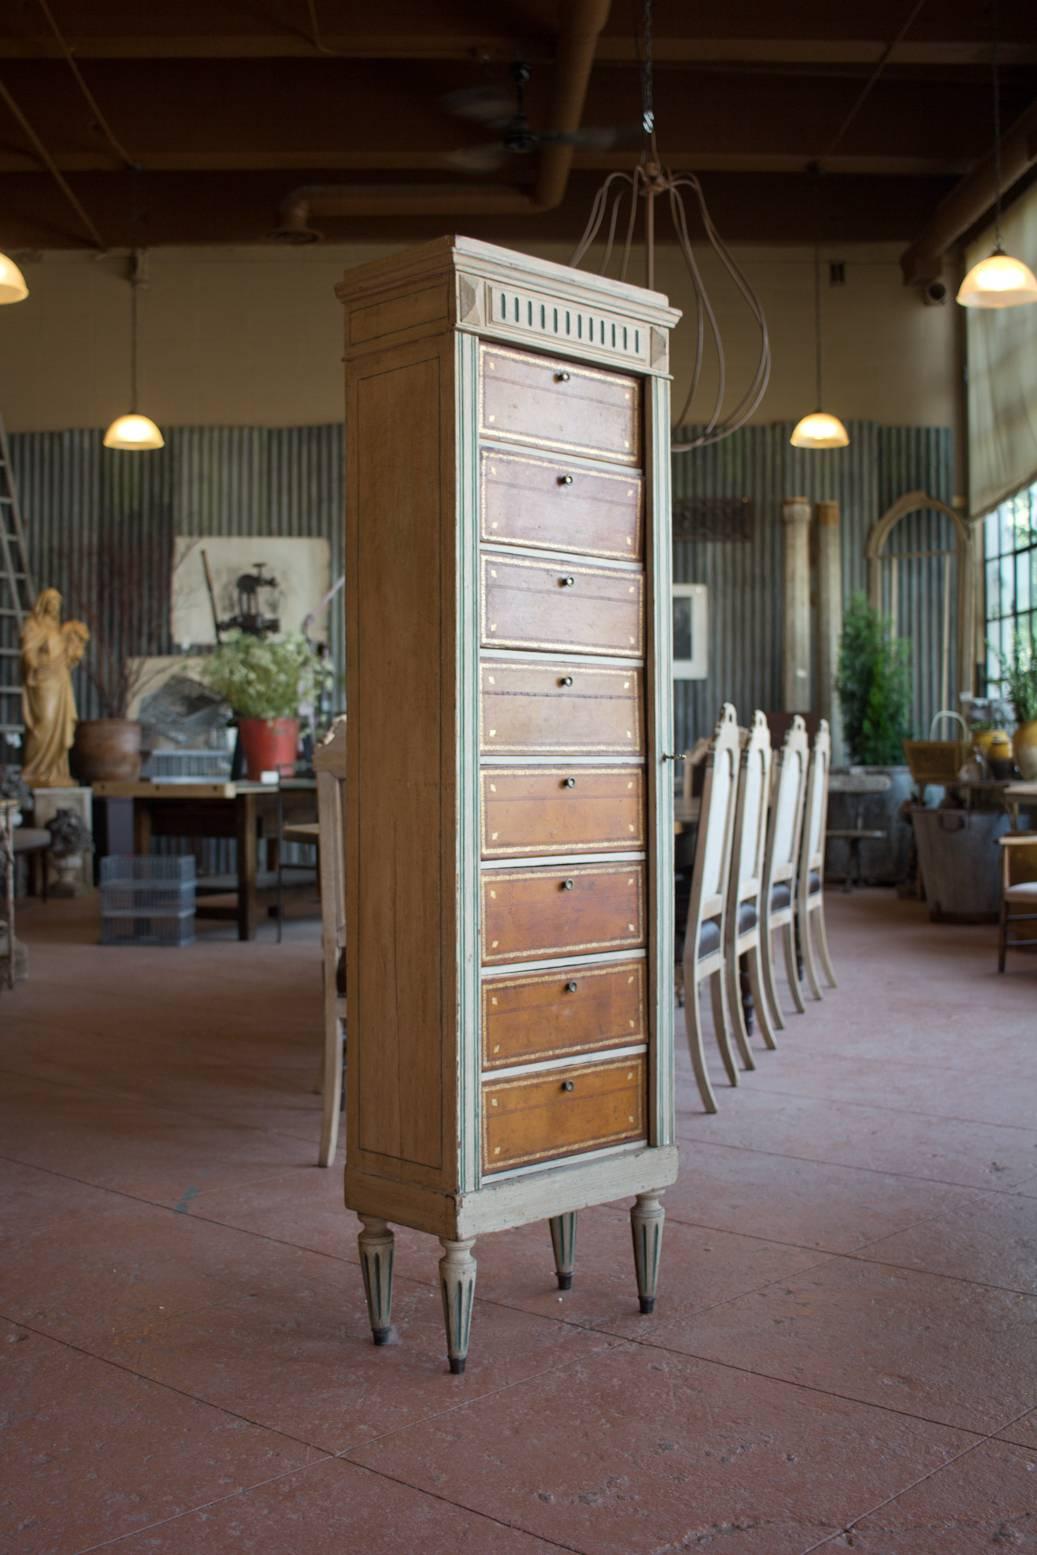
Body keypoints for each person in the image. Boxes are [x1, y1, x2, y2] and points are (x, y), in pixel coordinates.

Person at [20, 589, 90, 788]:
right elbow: (28, 653)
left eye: (57, 602)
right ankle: (35, 768)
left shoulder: (58, 628)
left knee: (60, 726)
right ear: (43, 603)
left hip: (60, 681)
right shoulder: (33, 625)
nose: (54, 605)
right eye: (50, 601)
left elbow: (68, 655)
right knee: (44, 722)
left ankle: (56, 770)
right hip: (42, 680)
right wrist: (37, 663)